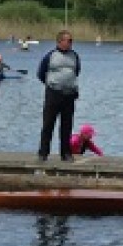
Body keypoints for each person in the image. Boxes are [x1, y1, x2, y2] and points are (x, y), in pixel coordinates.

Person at [36, 30, 80, 162]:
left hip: (69, 95)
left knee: (67, 126)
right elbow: (40, 73)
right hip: (53, 93)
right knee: (48, 124)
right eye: (68, 40)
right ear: (60, 41)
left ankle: (65, 153)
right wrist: (52, 84)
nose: (71, 43)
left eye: (72, 40)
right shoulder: (50, 55)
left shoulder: (75, 56)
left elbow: (76, 71)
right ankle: (43, 152)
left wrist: (68, 83)